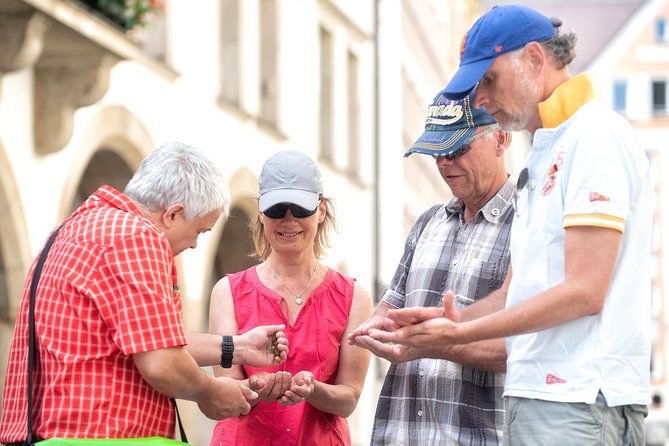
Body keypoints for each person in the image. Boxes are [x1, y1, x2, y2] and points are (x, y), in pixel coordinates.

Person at [369, 5, 652, 446]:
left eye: (489, 80)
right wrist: (445, 319)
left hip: (579, 400)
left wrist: (455, 333)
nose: (480, 100)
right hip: (542, 396)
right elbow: (516, 294)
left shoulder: (595, 136)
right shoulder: (544, 153)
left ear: (535, 60)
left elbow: (585, 291)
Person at [0, 142, 289, 444]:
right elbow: (161, 361)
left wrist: (237, 347)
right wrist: (211, 392)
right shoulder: (138, 238)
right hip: (100, 438)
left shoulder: (77, 228)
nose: (194, 245)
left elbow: (151, 337)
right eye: (200, 231)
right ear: (173, 214)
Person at [349, 88, 513, 445]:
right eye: (437, 151)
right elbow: (390, 308)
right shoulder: (427, 223)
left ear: (501, 140)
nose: (444, 163)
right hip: (402, 434)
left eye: (457, 150)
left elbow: (524, 346)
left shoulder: (528, 223)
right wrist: (372, 329)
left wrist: (430, 344)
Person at [208, 150, 372, 446]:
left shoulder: (353, 296)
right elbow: (225, 391)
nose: (288, 220)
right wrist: (258, 388)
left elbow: (349, 398)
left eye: (299, 209)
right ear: (260, 212)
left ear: (321, 210)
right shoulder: (228, 292)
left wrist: (313, 390)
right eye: (276, 209)